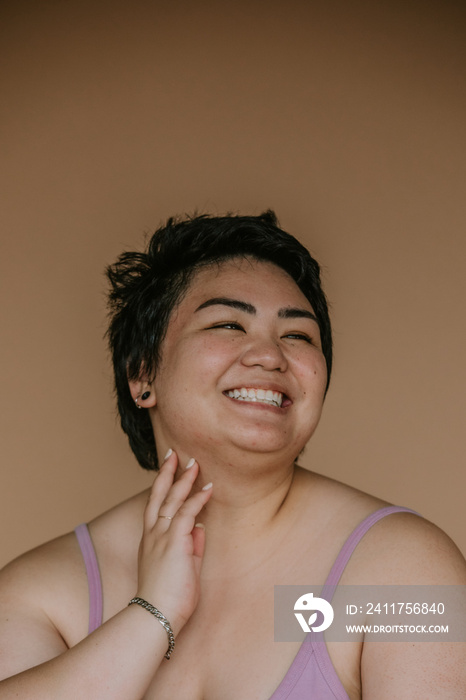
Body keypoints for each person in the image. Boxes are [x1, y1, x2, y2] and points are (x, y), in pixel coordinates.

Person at [0, 211, 464, 699]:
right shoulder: (46, 592)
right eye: (227, 324)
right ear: (142, 374)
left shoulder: (406, 576)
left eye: (298, 336)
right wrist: (152, 613)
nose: (269, 355)